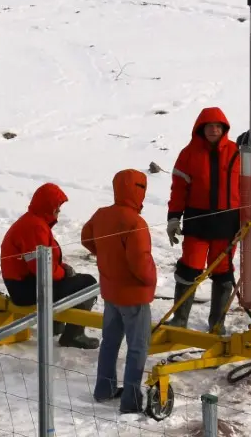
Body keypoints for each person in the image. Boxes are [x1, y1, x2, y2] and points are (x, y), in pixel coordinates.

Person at [82, 169, 157, 414]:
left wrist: (106, 255)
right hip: (134, 295)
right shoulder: (135, 222)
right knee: (138, 347)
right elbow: (140, 263)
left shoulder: (102, 214)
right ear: (138, 191)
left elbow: (86, 238)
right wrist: (151, 280)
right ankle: (131, 402)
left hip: (111, 292)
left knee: (110, 342)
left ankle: (104, 390)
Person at [165, 107, 240, 332]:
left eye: (218, 126)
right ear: (201, 129)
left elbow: (249, 189)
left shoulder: (237, 152)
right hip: (197, 222)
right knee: (189, 268)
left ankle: (217, 323)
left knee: (223, 273)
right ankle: (180, 319)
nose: (214, 130)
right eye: (209, 126)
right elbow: (179, 190)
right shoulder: (187, 154)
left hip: (228, 224)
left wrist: (248, 220)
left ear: (224, 129)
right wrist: (173, 218)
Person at [0, 182, 100, 349]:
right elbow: (42, 269)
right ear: (48, 206)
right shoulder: (35, 227)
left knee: (74, 282)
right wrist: (64, 273)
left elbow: (44, 261)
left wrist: (62, 269)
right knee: (88, 283)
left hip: (24, 283)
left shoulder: (34, 222)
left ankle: (56, 326)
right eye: (57, 206)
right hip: (25, 290)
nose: (59, 210)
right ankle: (73, 335)